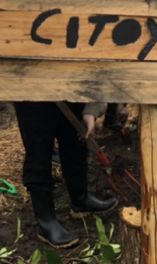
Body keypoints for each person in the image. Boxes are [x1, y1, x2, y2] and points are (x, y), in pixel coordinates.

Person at [14, 100, 117, 248]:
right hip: (34, 99)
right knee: (39, 154)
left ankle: (81, 200)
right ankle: (46, 222)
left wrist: (92, 111)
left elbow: (98, 85)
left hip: (71, 94)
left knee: (75, 142)